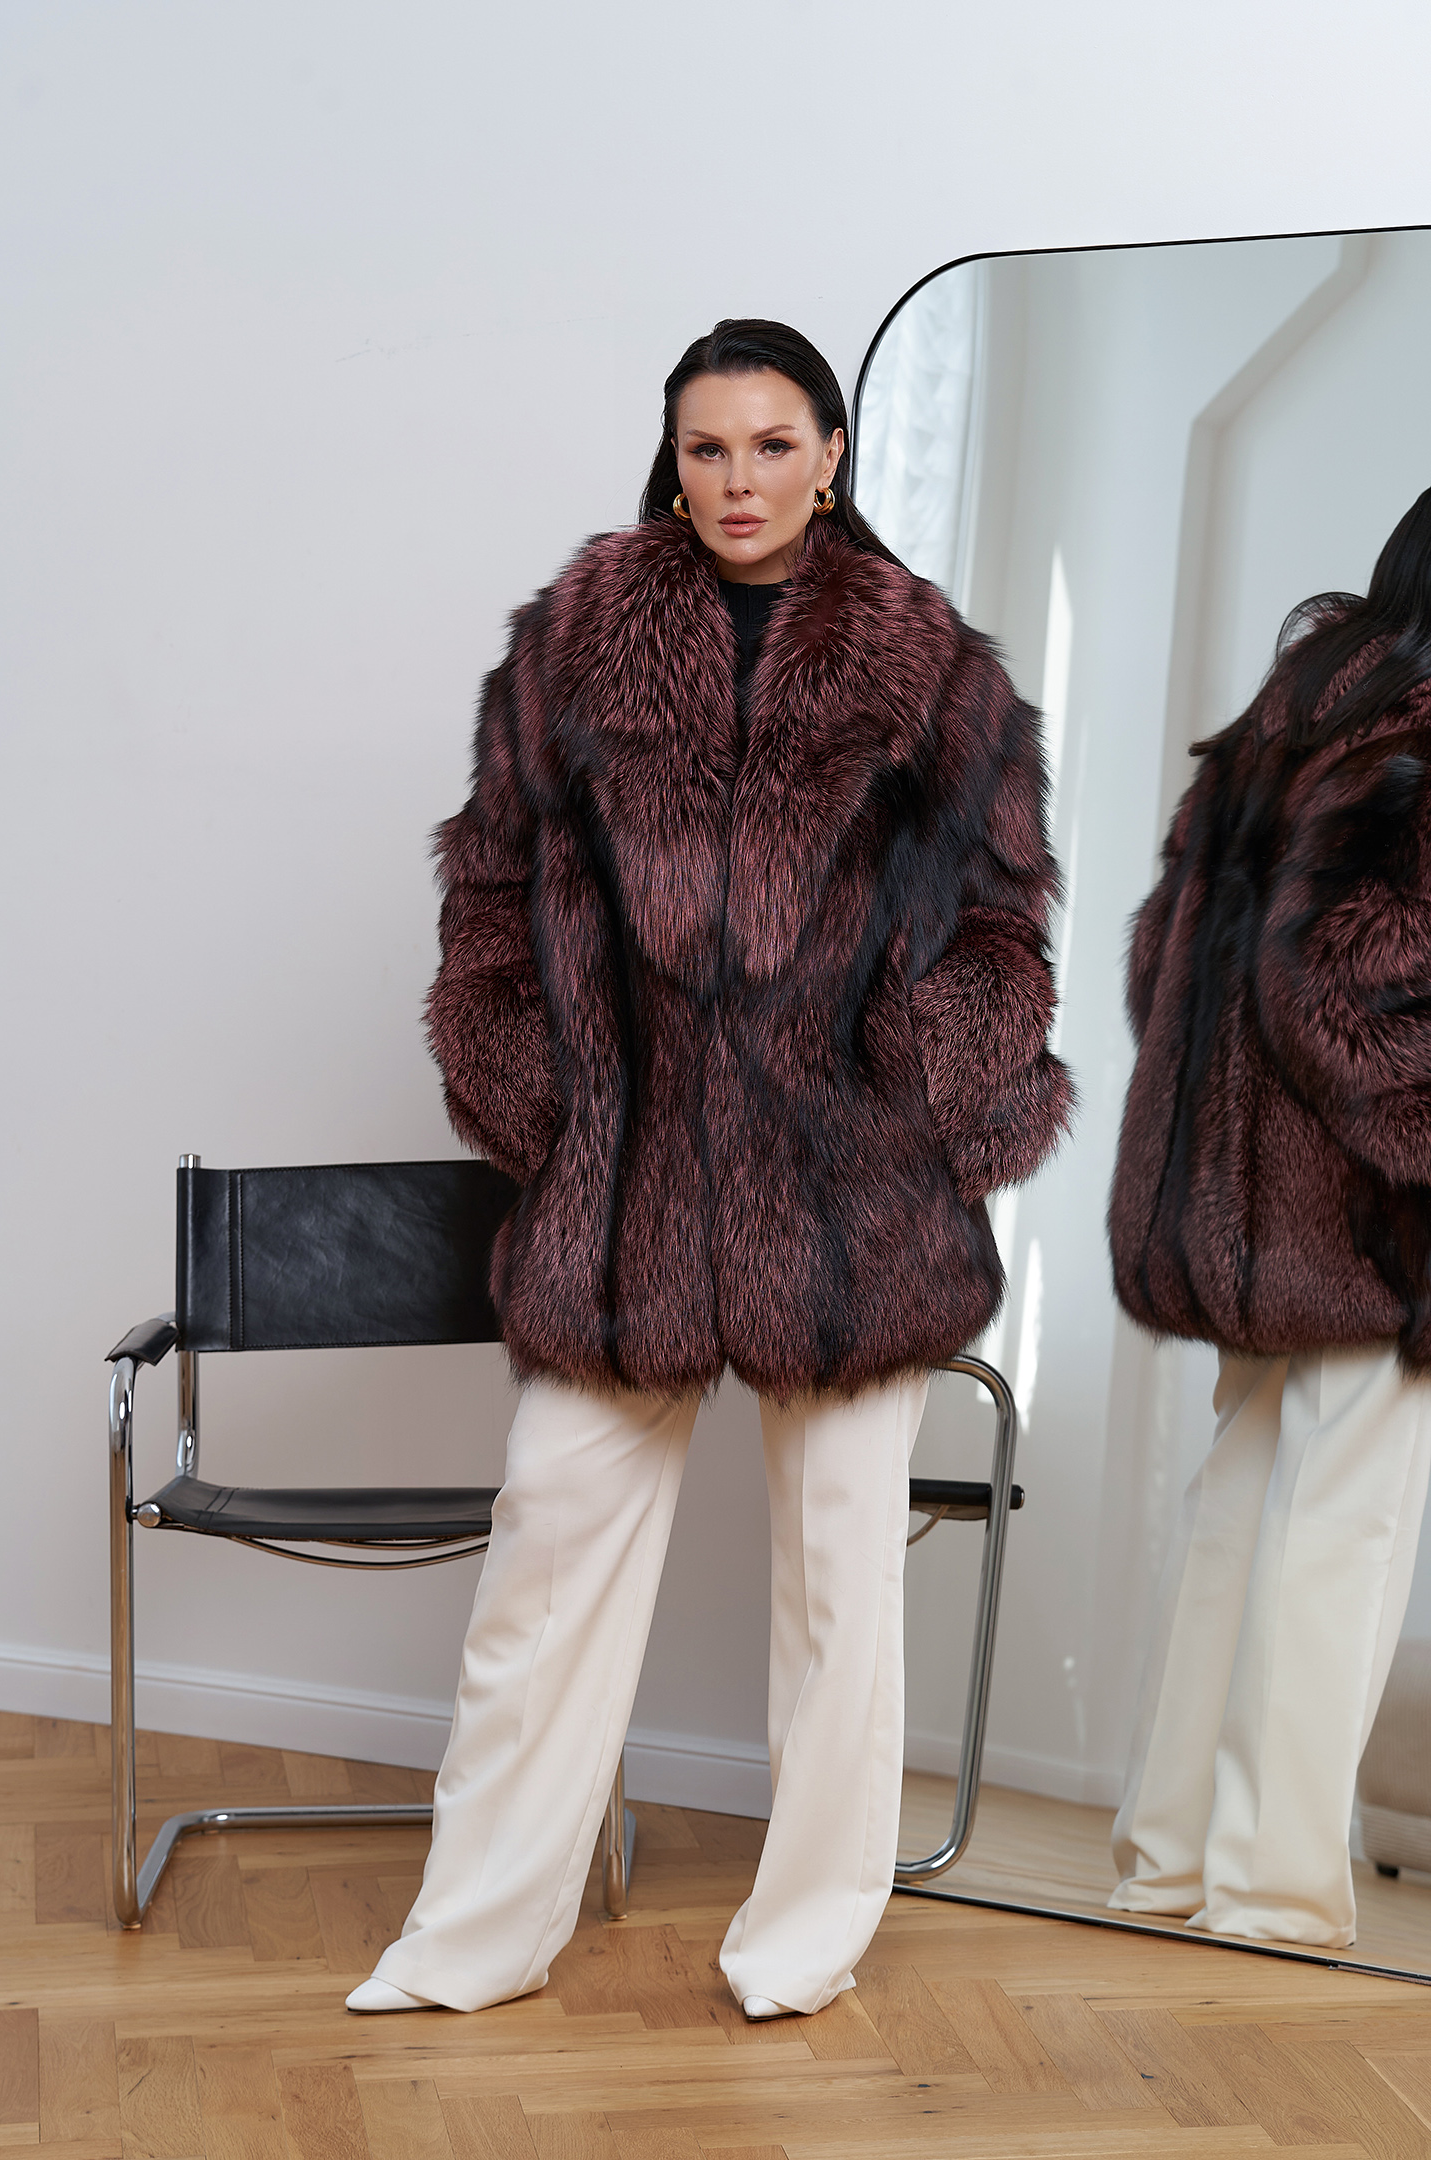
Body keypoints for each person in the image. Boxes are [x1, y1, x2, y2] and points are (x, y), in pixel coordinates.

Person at [347, 319, 1071, 2016]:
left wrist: (921, 1093)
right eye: (706, 448)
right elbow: (489, 901)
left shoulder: (938, 673)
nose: (739, 480)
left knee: (841, 1589)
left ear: (832, 453)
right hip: (627, 1193)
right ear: (671, 464)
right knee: (548, 1552)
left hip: (853, 1200)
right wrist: (548, 1106)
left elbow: (1001, 923)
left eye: (771, 444)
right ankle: (475, 1938)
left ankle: (804, 1941)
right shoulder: (566, 653)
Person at [1107, 488, 1431, 1948]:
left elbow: (1158, 957)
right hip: (1368, 1214)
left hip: (1238, 1204)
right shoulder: (1414, 741)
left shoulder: (1282, 723)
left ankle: (1170, 1862)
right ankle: (1276, 1891)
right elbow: (1349, 984)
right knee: (1342, 1527)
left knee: (1235, 1514)